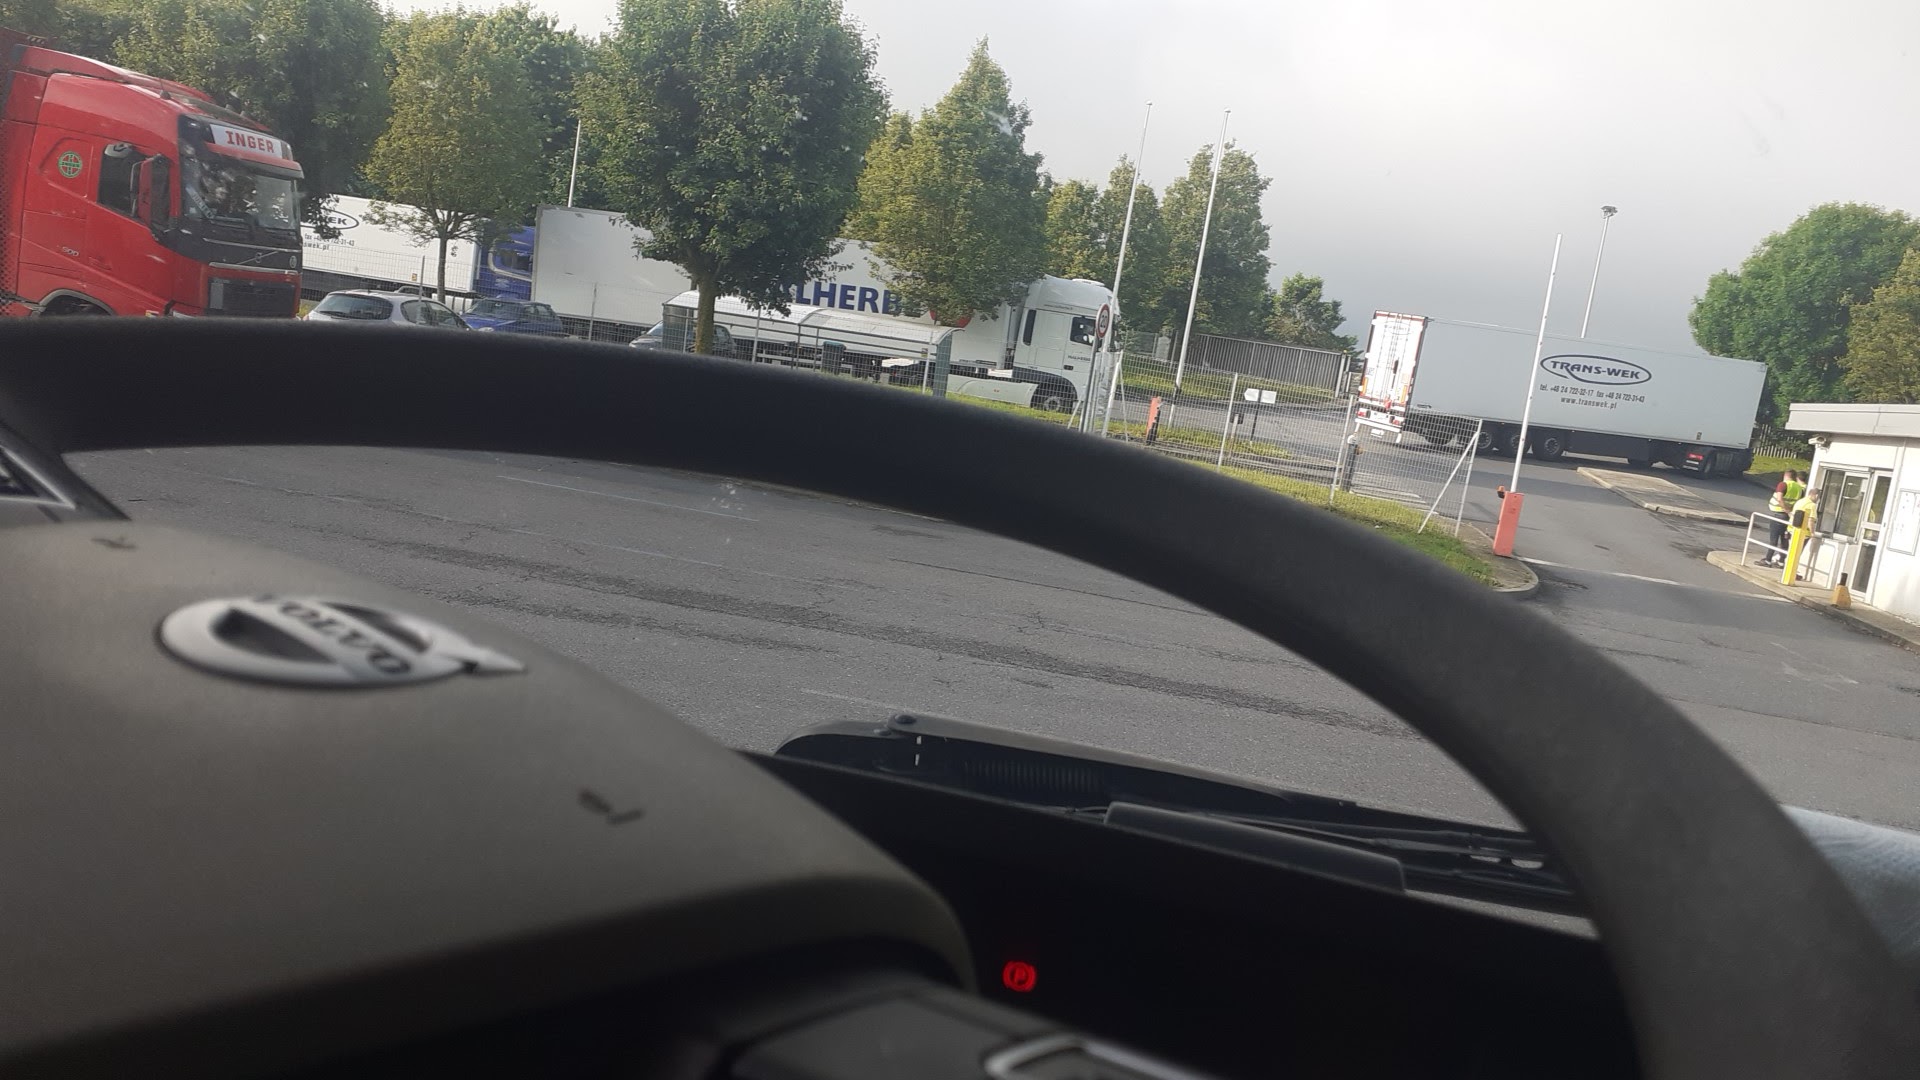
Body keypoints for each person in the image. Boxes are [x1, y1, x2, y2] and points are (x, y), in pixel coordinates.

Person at [1760, 469, 1794, 566]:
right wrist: (1790, 512)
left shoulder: (1783, 484)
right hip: (1788, 517)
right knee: (1784, 539)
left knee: (1774, 539)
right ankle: (1781, 561)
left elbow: (1779, 499)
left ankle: (1768, 560)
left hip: (1779, 514)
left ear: (1785, 475)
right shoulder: (1798, 488)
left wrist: (1786, 509)